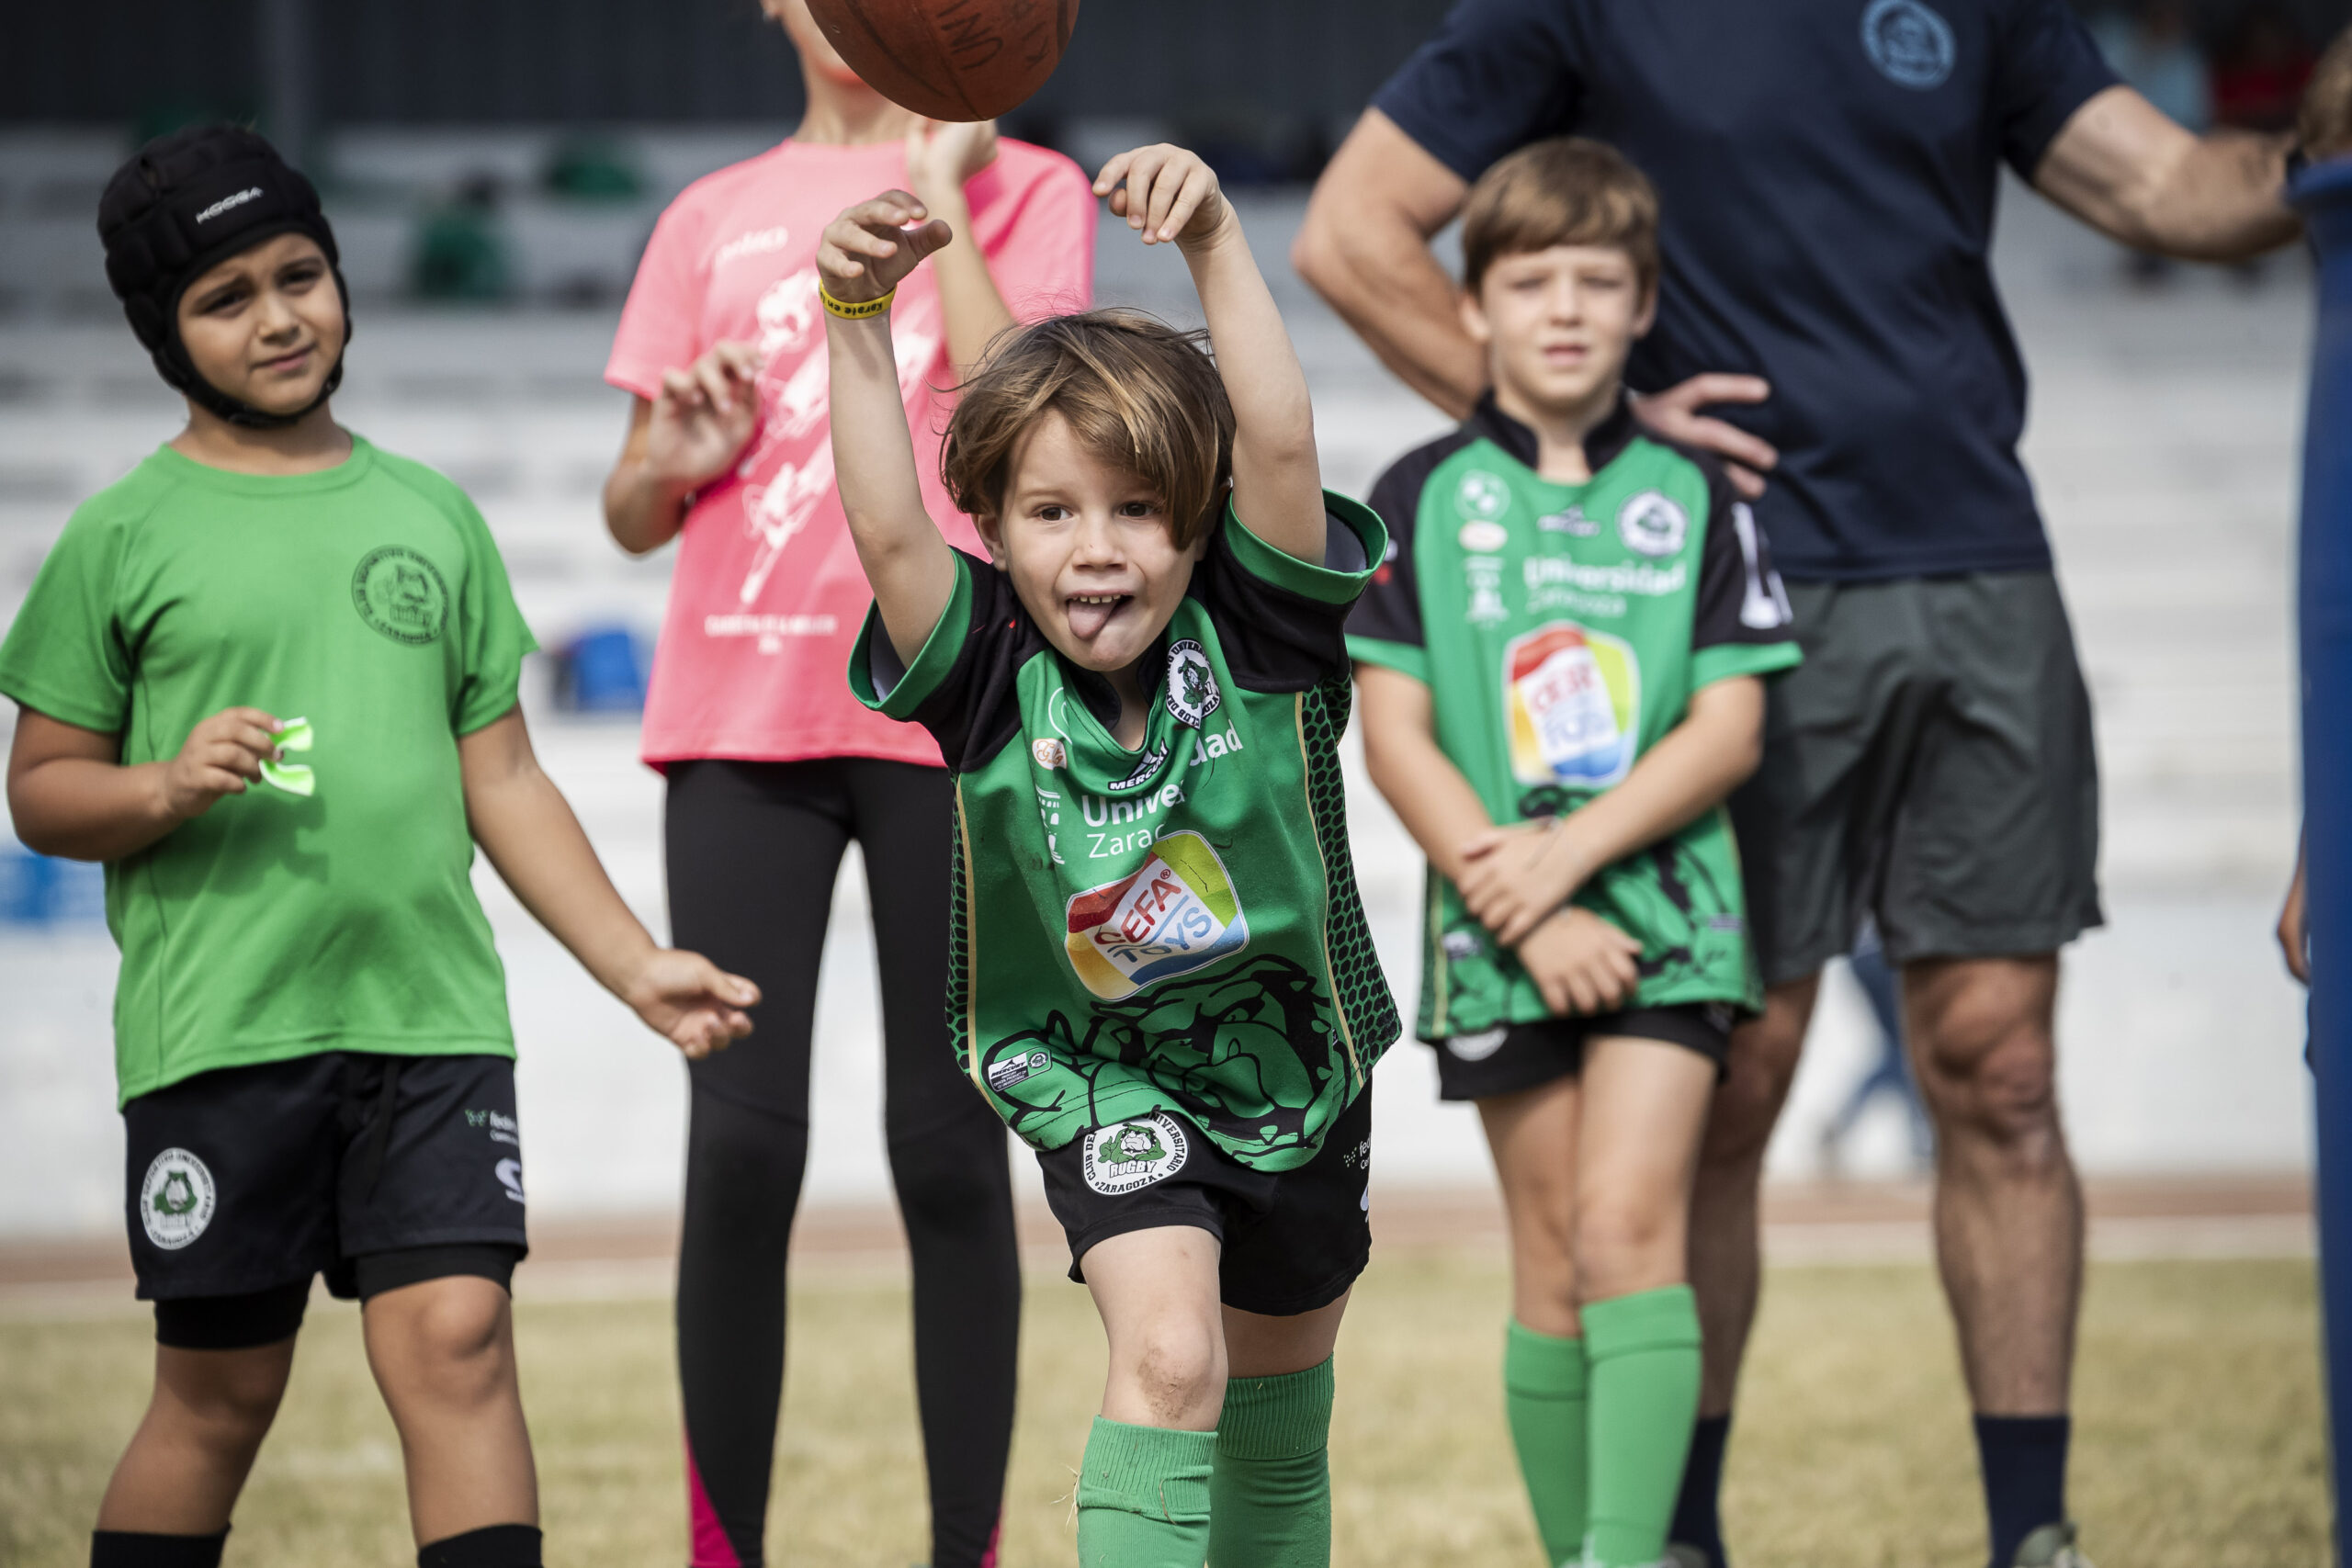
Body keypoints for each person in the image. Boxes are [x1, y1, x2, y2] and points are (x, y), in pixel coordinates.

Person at [1294, 6, 2312, 1566]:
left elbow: (2173, 188)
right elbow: (1358, 231)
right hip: (1726, 593)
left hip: (1978, 570)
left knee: (2005, 1070)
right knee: (1734, 1082)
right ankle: (1676, 1538)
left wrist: (2325, 157)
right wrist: (1597, 435)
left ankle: (2034, 1535)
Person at [0, 125, 758, 1568]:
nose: (280, 317)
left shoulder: (431, 514)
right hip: (224, 1028)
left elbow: (511, 781)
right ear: (163, 332)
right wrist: (160, 789)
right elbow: (42, 791)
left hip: (430, 1019)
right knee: (221, 1395)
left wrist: (634, 965)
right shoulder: (120, 537)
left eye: (301, 274)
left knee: (464, 1344)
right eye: (226, 298)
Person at [822, 142, 1398, 1566]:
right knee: (1168, 1364)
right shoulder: (981, 667)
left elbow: (1274, 444)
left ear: (1193, 524)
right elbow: (885, 520)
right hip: (1100, 1072)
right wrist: (849, 320)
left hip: (1296, 1062)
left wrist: (1213, 241)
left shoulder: (1258, 633)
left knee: (1275, 1418)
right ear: (1000, 533)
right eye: (1052, 511)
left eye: (1138, 509)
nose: (1098, 550)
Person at [595, 4, 1094, 1562]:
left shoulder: (1032, 187)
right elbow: (629, 512)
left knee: (949, 1150)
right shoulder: (705, 217)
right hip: (739, 723)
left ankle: (971, 1551)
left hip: (949, 716)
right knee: (741, 1149)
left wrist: (942, 193)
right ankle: (719, 1548)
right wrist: (675, 450)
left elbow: (1048, 413)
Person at [1346, 137, 1801, 1568]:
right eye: (1530, 279)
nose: (1563, 308)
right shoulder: (1418, 495)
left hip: (1669, 914)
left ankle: (1628, 1556)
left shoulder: (1698, 498)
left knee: (1623, 1231)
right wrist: (1524, 902)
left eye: (1598, 281)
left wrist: (1569, 862)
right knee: (1546, 1261)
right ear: (1472, 304)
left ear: (1643, 303)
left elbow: (1729, 728)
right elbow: (1395, 735)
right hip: (1496, 931)